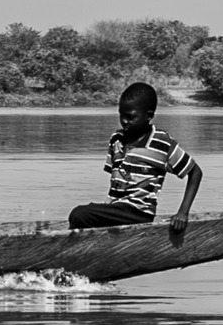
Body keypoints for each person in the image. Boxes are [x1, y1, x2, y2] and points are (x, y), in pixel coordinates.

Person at [66, 82, 201, 233]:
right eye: (121, 115)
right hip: (115, 209)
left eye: (130, 117)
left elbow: (195, 172)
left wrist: (183, 212)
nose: (124, 121)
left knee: (78, 214)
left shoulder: (161, 142)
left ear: (149, 116)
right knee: (81, 216)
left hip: (138, 212)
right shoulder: (117, 139)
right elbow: (117, 183)